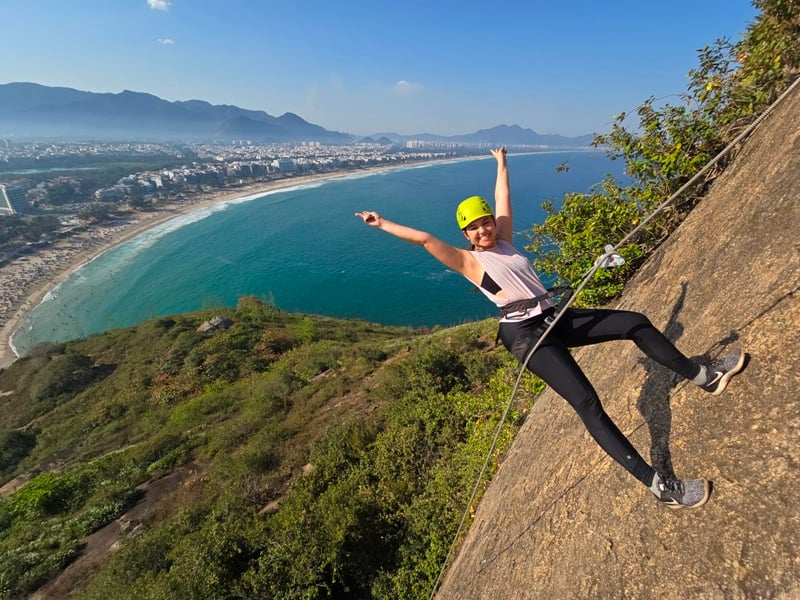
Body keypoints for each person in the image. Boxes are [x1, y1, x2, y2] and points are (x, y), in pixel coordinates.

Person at [355, 147, 745, 509]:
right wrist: (382, 222)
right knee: (587, 402)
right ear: (466, 236)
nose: (483, 230)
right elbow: (423, 239)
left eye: (486, 222)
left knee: (634, 323)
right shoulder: (468, 262)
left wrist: (500, 163)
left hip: (552, 315)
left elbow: (504, 199)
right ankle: (659, 486)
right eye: (474, 228)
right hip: (525, 334)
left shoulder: (504, 241)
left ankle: (704, 376)